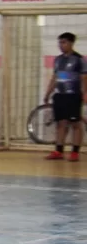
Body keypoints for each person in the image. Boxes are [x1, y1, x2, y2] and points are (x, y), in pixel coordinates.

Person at [44, 31, 82, 161]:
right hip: (60, 96)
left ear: (71, 43)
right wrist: (48, 93)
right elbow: (55, 78)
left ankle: (75, 152)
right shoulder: (58, 60)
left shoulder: (79, 59)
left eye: (64, 42)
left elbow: (84, 78)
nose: (61, 45)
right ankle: (58, 151)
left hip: (73, 95)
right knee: (61, 123)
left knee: (75, 124)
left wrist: (84, 93)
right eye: (60, 43)